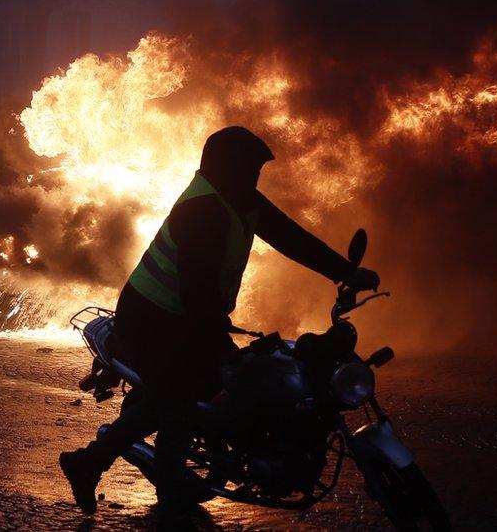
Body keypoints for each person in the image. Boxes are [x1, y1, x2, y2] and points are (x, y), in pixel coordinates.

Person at [59, 126, 380, 517]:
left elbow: (291, 238)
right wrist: (222, 348)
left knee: (238, 382)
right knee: (178, 399)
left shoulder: (241, 200)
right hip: (152, 319)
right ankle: (93, 465)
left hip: (187, 316)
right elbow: (197, 296)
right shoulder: (204, 210)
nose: (255, 178)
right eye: (250, 169)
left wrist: (345, 271)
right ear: (226, 168)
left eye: (257, 172)